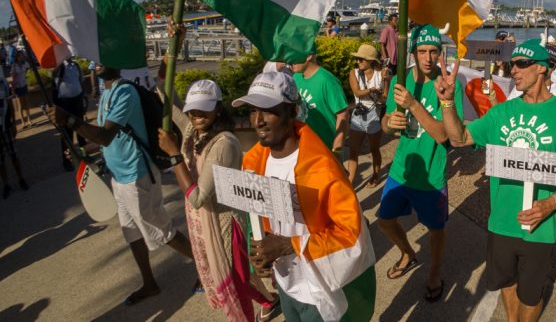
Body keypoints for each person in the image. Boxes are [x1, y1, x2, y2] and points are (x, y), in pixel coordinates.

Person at [436, 38, 556, 321]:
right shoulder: (501, 113)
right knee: (506, 282)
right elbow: (459, 138)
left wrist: (552, 203)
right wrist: (447, 101)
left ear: (542, 69)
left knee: (531, 293)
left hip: (541, 226)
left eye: (521, 64)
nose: (513, 71)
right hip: (502, 223)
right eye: (511, 66)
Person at [47, 63, 195, 306]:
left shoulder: (126, 92)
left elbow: (105, 135)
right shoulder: (106, 94)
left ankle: (209, 273)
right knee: (131, 232)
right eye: (95, 58)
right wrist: (84, 148)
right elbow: (107, 139)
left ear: (117, 62)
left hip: (138, 175)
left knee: (162, 230)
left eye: (103, 58)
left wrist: (69, 121)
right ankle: (150, 283)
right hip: (119, 177)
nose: (98, 63)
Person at [233, 72, 376, 321]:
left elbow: (351, 234)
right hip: (287, 282)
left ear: (293, 111)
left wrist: (288, 244)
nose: (258, 121)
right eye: (253, 111)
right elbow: (255, 216)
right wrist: (258, 252)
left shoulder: (322, 167)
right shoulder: (253, 162)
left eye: (269, 110)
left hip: (320, 288)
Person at [157, 79, 277, 321]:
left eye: (204, 107)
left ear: (218, 109)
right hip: (203, 221)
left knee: (234, 283)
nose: (196, 114)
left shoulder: (223, 143)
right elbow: (169, 96)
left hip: (223, 223)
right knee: (236, 277)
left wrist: (173, 156)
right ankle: (268, 300)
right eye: (192, 109)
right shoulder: (194, 131)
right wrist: (170, 58)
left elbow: (198, 197)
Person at [378, 24, 463, 302]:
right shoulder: (399, 82)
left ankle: (434, 273)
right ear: (412, 52)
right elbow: (386, 124)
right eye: (422, 51)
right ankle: (408, 253)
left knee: (436, 230)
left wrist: (414, 105)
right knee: (385, 220)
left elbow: (444, 136)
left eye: (434, 51)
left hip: (432, 174)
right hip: (402, 169)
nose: (428, 57)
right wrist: (390, 123)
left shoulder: (447, 86)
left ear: (440, 53)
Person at [291, 47, 348, 157]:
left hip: (325, 149)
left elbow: (343, 115)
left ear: (309, 56)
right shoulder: (296, 78)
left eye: (294, 55)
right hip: (302, 146)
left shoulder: (328, 81)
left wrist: (337, 148)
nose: (290, 60)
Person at [347, 44, 389, 187]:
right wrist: (372, 90)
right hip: (358, 114)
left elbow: (385, 99)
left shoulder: (381, 74)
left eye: (362, 59)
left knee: (374, 149)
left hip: (374, 115)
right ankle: (350, 181)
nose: (358, 62)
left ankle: (376, 175)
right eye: (358, 59)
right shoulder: (354, 72)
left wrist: (383, 84)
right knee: (353, 150)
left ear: (371, 60)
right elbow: (357, 92)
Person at [52, 57, 87, 171]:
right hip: (65, 103)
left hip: (77, 101)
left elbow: (80, 81)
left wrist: (83, 96)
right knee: (67, 133)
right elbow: (54, 83)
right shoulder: (60, 67)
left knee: (81, 128)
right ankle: (67, 161)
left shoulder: (76, 66)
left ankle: (84, 155)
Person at [0, 68, 28, 198]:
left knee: (13, 155)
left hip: (6, 126)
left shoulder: (2, 83)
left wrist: (14, 123)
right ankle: (6, 184)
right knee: (1, 160)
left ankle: (21, 178)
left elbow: (10, 102)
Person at [10, 50, 32, 129]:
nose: (22, 57)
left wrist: (26, 76)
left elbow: (29, 69)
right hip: (18, 86)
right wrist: (13, 87)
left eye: (23, 55)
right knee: (20, 105)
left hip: (24, 84)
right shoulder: (14, 65)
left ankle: (29, 120)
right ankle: (23, 122)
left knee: (26, 103)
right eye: (20, 56)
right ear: (17, 57)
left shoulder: (25, 64)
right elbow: (13, 77)